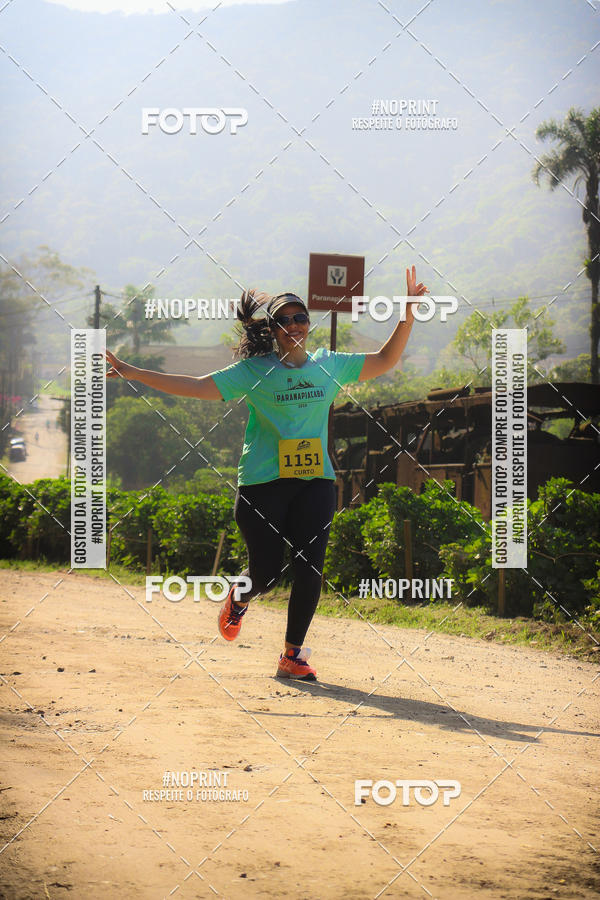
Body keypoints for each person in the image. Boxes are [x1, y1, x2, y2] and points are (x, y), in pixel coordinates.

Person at [105, 266, 428, 681]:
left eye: (300, 318)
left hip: (315, 482)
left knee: (311, 566)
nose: (294, 325)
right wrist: (133, 372)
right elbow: (196, 386)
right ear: (273, 329)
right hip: (263, 484)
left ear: (309, 325)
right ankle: (239, 600)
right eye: (284, 320)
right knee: (268, 573)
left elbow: (385, 360)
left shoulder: (330, 365)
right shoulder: (255, 371)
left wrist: (408, 312)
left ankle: (293, 655)